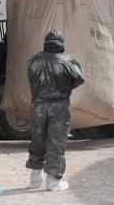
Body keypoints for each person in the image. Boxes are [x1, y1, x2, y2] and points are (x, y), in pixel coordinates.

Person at [26, 29, 85, 191]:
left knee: (38, 139)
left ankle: (34, 179)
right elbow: (79, 79)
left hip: (38, 105)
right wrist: (64, 86)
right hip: (59, 106)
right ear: (61, 44)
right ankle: (53, 181)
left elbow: (30, 77)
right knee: (56, 142)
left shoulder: (34, 60)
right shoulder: (67, 61)